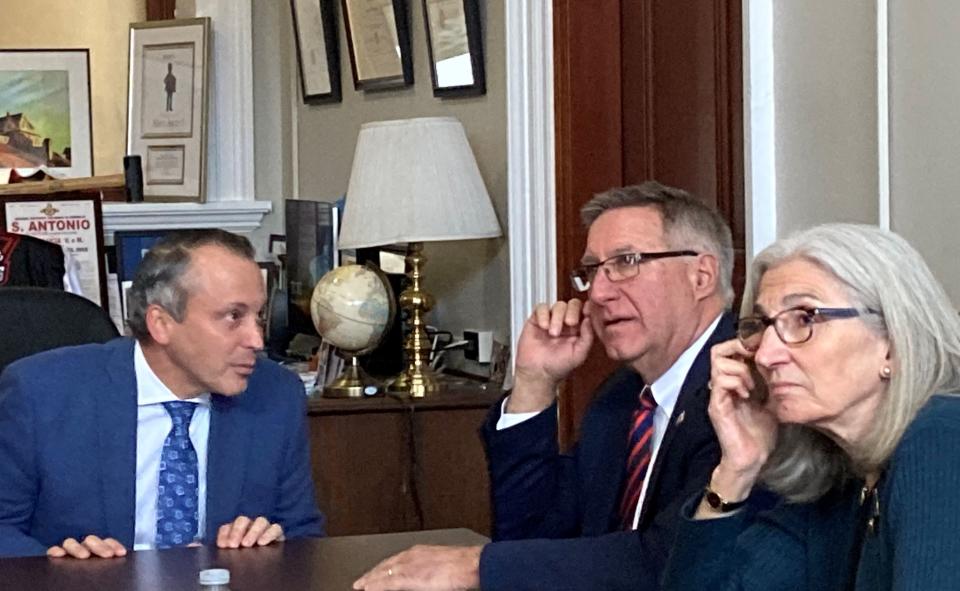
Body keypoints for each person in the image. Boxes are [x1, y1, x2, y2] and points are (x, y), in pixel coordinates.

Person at [354, 181, 734, 590]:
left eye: (627, 262)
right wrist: (534, 383)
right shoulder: (620, 397)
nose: (601, 293)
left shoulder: (741, 393)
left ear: (701, 275)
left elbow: (670, 560)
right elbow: (529, 536)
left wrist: (476, 566)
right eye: (592, 271)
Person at [662, 223, 960, 590]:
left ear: (893, 343)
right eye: (761, 325)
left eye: (805, 318)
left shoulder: (943, 439)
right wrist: (737, 469)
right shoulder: (839, 484)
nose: (767, 356)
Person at [0, 229, 325, 558]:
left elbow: (302, 532)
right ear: (161, 323)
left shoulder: (276, 395)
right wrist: (59, 569)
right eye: (233, 317)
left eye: (260, 316)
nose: (256, 340)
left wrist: (271, 544)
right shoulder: (40, 393)